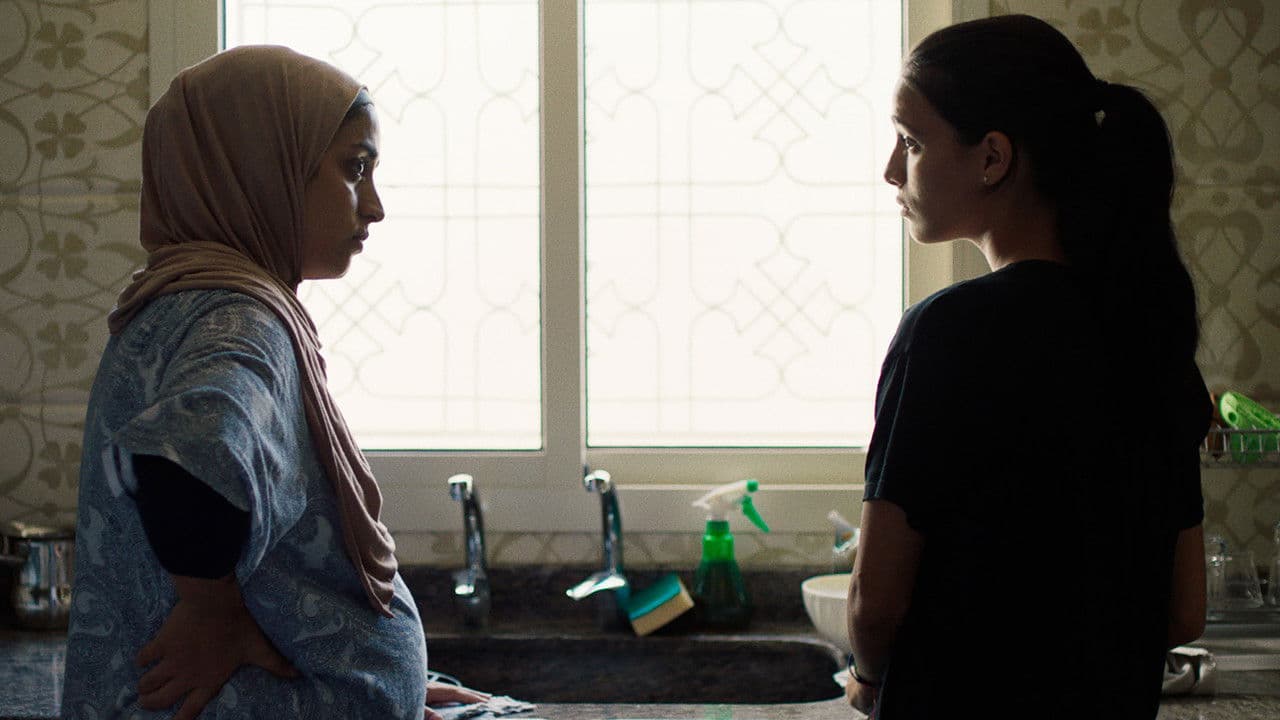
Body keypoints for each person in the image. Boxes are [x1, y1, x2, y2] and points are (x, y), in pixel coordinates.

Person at [63, 46, 487, 719]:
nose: (374, 206)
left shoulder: (178, 303)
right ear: (263, 168)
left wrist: (376, 680)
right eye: (355, 168)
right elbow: (179, 462)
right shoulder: (238, 320)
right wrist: (213, 616)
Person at [846, 15, 1210, 720]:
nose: (892, 169)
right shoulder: (1148, 331)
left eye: (912, 142)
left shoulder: (945, 334)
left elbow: (875, 604)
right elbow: (1183, 610)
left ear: (992, 158)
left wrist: (866, 676)